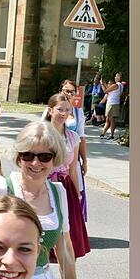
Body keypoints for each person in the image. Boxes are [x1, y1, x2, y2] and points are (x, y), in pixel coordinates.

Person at [45, 95, 91, 253]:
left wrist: (78, 195)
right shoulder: (41, 134)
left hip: (66, 186)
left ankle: (67, 266)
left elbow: (73, 169)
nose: (63, 113)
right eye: (59, 109)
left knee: (68, 232)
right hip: (44, 184)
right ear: (51, 110)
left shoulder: (73, 137)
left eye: (67, 110)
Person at [101, 72, 125, 139]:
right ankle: (103, 133)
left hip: (112, 104)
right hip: (114, 103)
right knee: (108, 119)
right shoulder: (120, 85)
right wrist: (103, 83)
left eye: (117, 76)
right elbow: (109, 90)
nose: (115, 77)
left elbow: (106, 91)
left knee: (111, 120)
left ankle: (111, 135)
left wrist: (102, 83)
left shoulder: (115, 85)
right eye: (115, 76)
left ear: (120, 78)